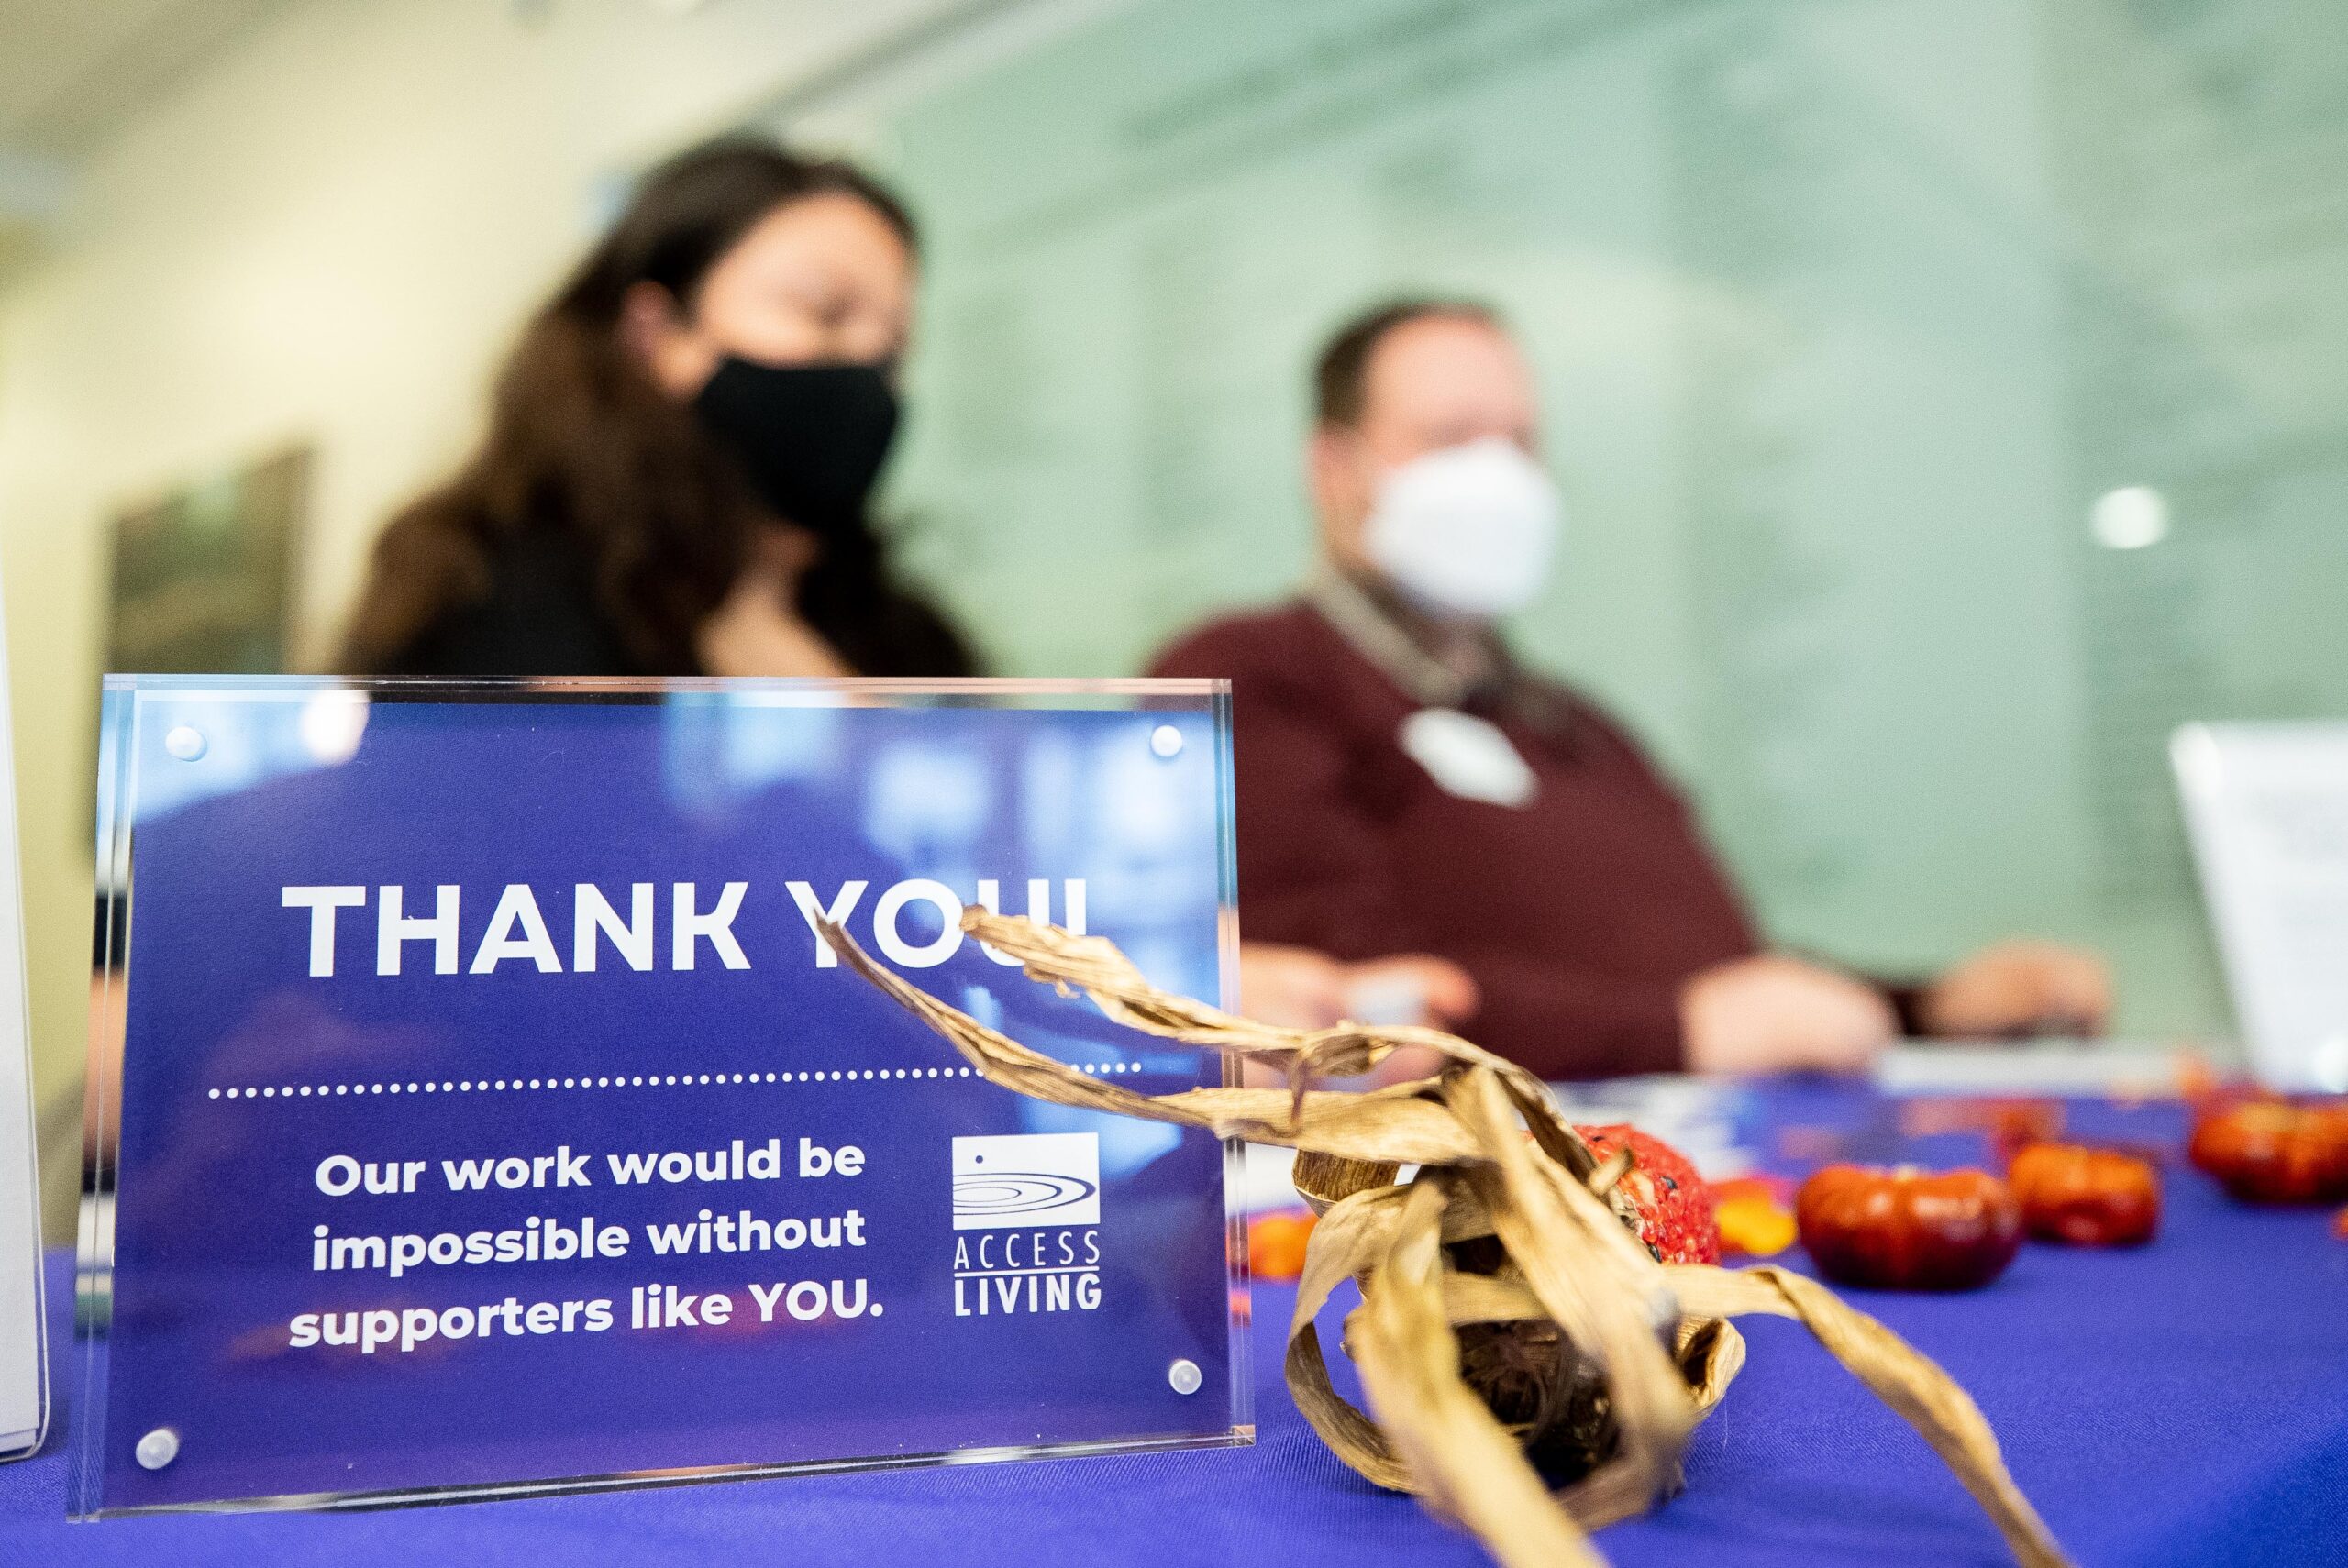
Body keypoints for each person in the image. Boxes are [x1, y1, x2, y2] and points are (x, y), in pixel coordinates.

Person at [1150, 299, 2110, 1080]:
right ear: (1333, 466)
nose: (1497, 474)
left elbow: (1717, 977)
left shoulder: (1574, 724)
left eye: (1519, 441)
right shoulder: (1257, 675)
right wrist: (1676, 1031)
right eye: (1450, 436)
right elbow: (1336, 999)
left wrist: (1923, 1009)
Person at [339, 138, 974, 679]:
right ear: (658, 333)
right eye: (822, 312)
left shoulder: (901, 633)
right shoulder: (486, 589)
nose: (864, 363)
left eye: (893, 347)